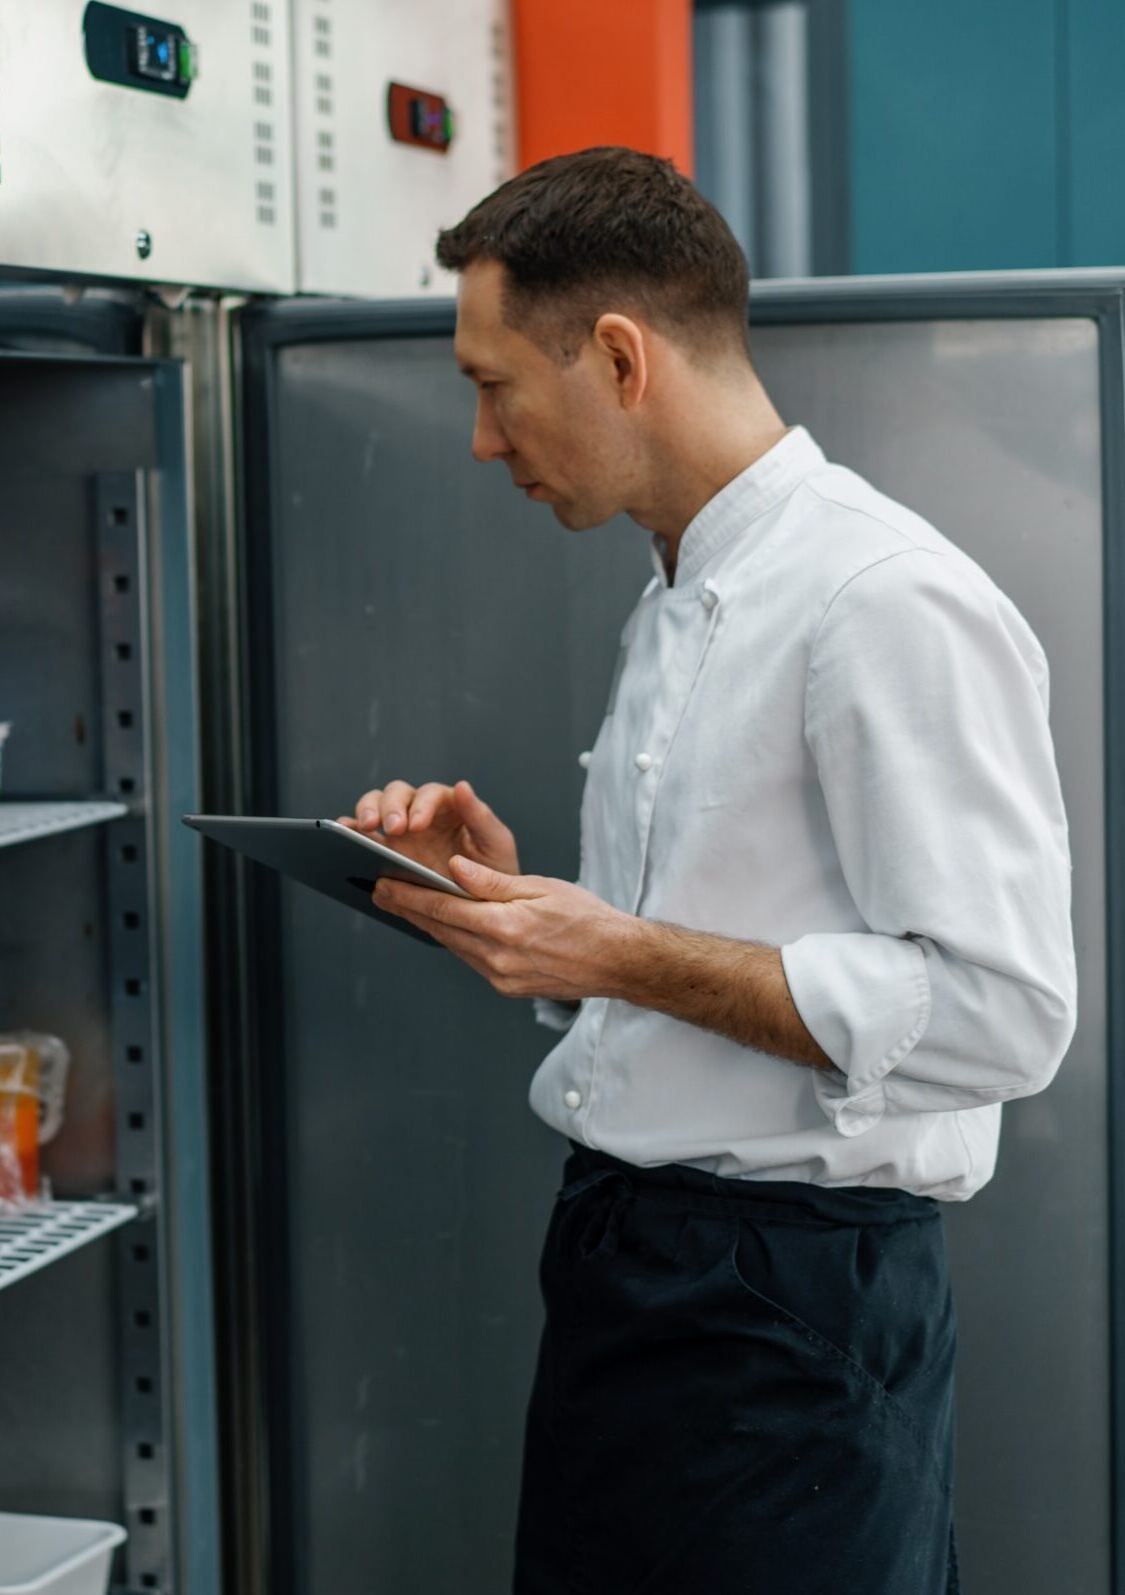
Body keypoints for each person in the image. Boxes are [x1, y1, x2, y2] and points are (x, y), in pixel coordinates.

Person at [345, 147, 1076, 1595]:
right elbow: (713, 955)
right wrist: (519, 914)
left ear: (617, 357)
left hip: (789, 1312)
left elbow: (1001, 1014)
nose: (485, 442)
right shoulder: (679, 588)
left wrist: (608, 952)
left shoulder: (882, 599)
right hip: (633, 1274)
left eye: (493, 386)